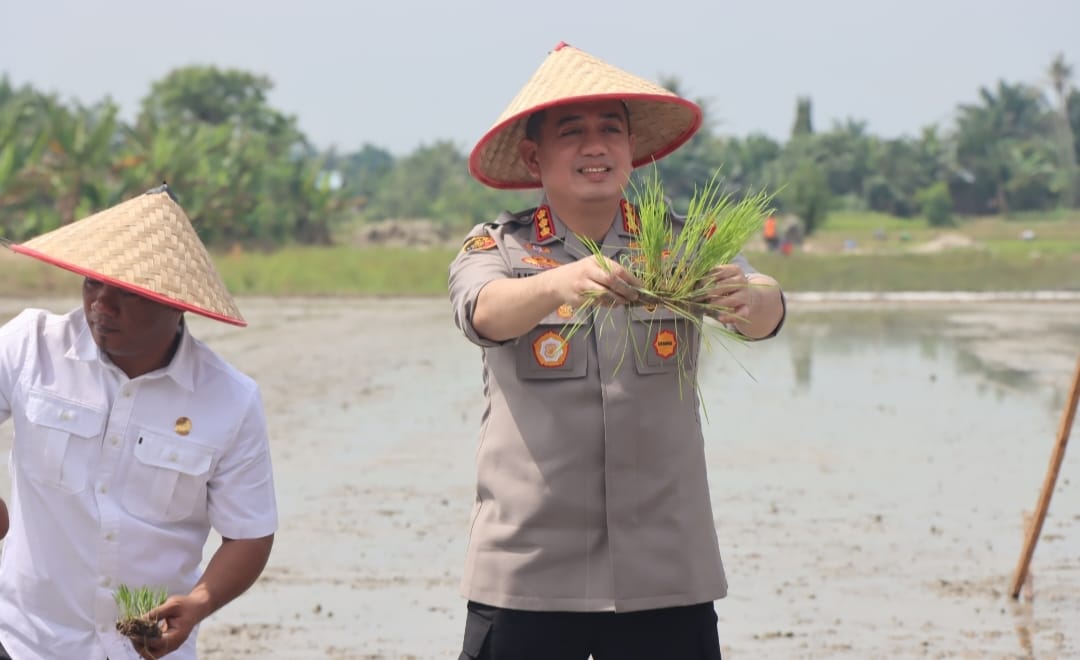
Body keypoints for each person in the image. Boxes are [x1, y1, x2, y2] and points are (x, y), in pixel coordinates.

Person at [448, 43, 786, 660]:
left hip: (665, 573)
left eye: (611, 130)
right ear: (535, 155)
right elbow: (481, 312)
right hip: (528, 574)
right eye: (572, 132)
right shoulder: (497, 248)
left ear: (632, 150)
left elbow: (765, 309)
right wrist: (558, 283)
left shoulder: (684, 244)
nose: (594, 146)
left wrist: (749, 296)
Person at [0, 185, 278, 660]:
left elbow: (249, 534)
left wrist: (198, 602)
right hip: (26, 642)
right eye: (93, 283)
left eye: (125, 292)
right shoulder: (30, 346)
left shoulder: (229, 400)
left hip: (141, 649)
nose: (101, 304)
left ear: (177, 303)